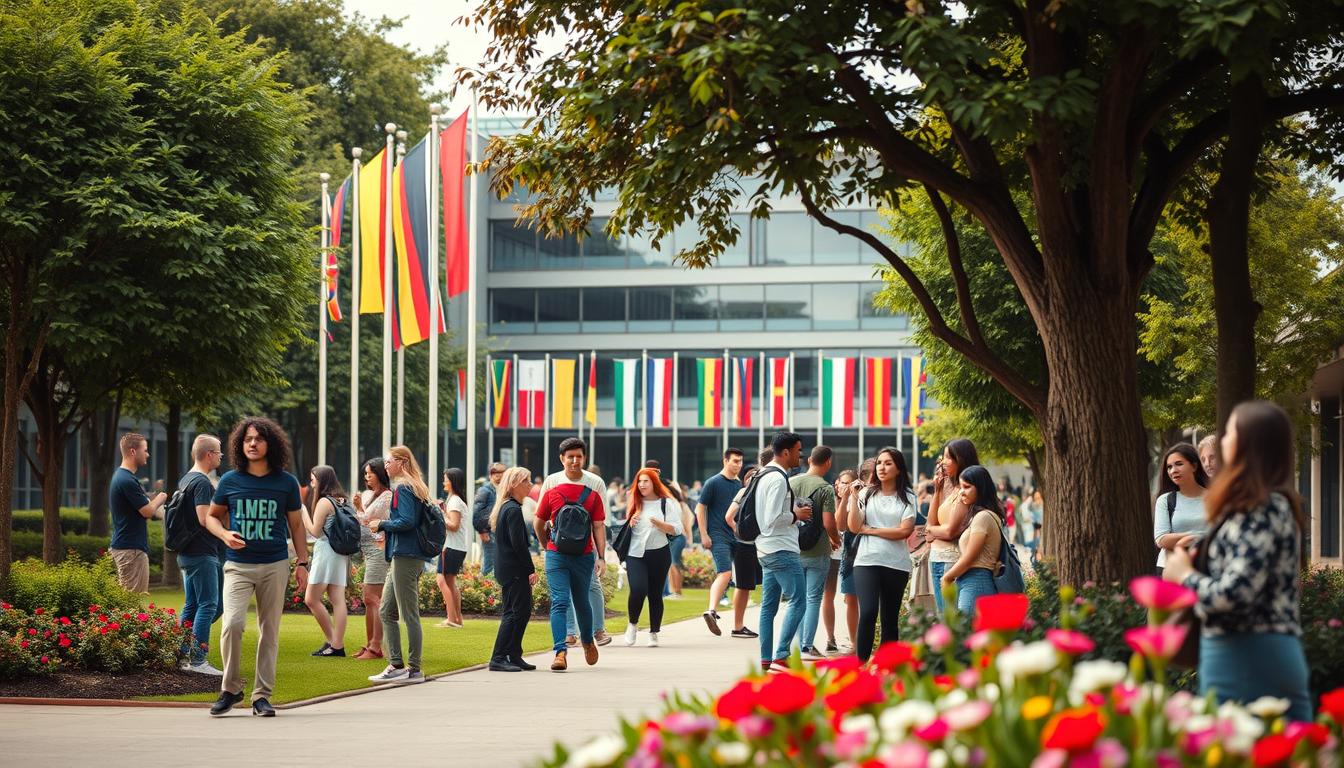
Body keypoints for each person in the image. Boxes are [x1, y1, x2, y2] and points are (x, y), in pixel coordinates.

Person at [1164, 401, 1312, 721]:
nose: (1223, 439)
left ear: (1248, 442)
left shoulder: (1264, 507)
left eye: (1230, 431)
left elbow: (1236, 593)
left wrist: (1185, 575)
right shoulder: (1254, 505)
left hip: (1250, 652)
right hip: (1237, 651)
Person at [204, 417, 307, 717]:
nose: (252, 443)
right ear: (240, 444)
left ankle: (262, 695)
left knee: (269, 631)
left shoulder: (285, 482)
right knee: (232, 625)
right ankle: (231, 688)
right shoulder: (230, 481)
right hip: (238, 566)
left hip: (275, 564)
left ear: (270, 444)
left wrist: (302, 562)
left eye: (258, 439)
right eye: (247, 439)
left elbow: (297, 526)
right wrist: (224, 534)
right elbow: (211, 516)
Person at [535, 437, 608, 671]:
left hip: (584, 555)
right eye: (570, 457)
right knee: (559, 601)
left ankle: (587, 641)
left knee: (582, 601)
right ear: (562, 459)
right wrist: (547, 545)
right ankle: (560, 652)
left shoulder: (595, 487)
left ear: (584, 458)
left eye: (579, 456)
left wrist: (601, 556)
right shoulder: (551, 485)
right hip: (556, 554)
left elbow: (598, 525)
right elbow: (539, 521)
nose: (574, 461)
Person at [366, 446, 434, 684]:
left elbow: (407, 521)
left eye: (388, 461)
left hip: (406, 554)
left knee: (408, 613)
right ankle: (396, 664)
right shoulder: (412, 485)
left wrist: (381, 524)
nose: (385, 465)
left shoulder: (404, 487)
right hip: (405, 554)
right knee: (386, 611)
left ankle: (413, 669)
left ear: (402, 462)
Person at [846, 447, 917, 661]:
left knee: (889, 619)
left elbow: (904, 531)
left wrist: (872, 530)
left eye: (888, 463)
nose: (882, 467)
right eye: (879, 463)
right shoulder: (866, 494)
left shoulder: (908, 497)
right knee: (867, 612)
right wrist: (853, 498)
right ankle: (860, 666)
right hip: (866, 561)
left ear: (898, 469)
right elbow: (854, 526)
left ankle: (889, 668)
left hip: (896, 564)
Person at [754, 432, 812, 673]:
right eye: (799, 451)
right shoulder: (777, 478)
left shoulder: (762, 473)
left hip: (765, 549)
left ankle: (767, 659)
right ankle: (781, 656)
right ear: (786, 452)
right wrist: (796, 515)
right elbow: (770, 519)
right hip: (780, 549)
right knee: (799, 600)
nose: (801, 455)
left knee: (769, 606)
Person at [175, 434, 225, 675]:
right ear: (209, 455)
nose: (221, 456)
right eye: (219, 453)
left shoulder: (186, 479)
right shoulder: (202, 483)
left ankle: (180, 653)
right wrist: (226, 533)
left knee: (192, 605)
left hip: (187, 553)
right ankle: (198, 660)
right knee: (209, 605)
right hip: (202, 552)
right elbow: (205, 519)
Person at [621, 468, 682, 647]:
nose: (641, 485)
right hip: (635, 553)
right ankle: (632, 624)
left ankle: (654, 632)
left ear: (654, 483)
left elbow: (677, 529)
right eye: (639, 481)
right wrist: (630, 522)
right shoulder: (634, 501)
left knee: (655, 594)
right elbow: (627, 525)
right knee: (638, 590)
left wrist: (659, 524)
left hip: (659, 553)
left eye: (646, 481)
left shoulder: (666, 503)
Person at [938, 465, 1006, 614]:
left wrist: (947, 578)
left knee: (966, 631)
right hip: (972, 581)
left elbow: (970, 557)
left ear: (981, 489)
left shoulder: (983, 517)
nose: (962, 492)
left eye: (967, 487)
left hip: (976, 581)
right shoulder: (981, 515)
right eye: (961, 487)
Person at [791, 445, 837, 660]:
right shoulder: (826, 488)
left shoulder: (791, 482)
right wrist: (835, 539)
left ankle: (797, 644)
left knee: (797, 599)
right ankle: (806, 646)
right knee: (813, 598)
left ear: (809, 460)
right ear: (827, 462)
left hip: (793, 548)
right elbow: (829, 522)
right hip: (818, 550)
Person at [489, 467, 537, 672]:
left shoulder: (507, 507)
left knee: (519, 611)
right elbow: (519, 545)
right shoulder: (513, 510)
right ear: (514, 484)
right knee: (515, 612)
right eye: (526, 481)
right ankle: (499, 656)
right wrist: (530, 569)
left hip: (507, 568)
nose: (530, 485)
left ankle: (514, 654)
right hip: (514, 569)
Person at [925, 438, 981, 611]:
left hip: (952, 562)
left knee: (952, 620)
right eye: (943, 457)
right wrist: (938, 490)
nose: (943, 462)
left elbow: (950, 531)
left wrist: (932, 531)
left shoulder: (966, 491)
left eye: (948, 457)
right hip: (936, 559)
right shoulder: (950, 488)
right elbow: (931, 522)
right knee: (944, 618)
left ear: (961, 459)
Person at [109, 432, 168, 593]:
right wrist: (161, 497)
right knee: (133, 603)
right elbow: (147, 511)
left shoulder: (124, 478)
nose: (148, 454)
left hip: (128, 547)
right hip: (131, 550)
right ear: (133, 451)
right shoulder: (127, 480)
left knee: (130, 603)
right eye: (145, 450)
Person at [301, 465, 351, 657]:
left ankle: (334, 642)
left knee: (311, 599)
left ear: (322, 479)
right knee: (337, 599)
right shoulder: (342, 499)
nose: (311, 481)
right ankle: (336, 644)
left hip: (326, 550)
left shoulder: (324, 501)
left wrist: (303, 512)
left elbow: (314, 531)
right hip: (340, 552)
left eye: (313, 478)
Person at [697, 448, 744, 635]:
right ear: (725, 461)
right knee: (725, 573)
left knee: (737, 579)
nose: (738, 465)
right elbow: (700, 509)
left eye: (740, 461)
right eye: (735, 461)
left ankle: (738, 626)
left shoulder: (740, 485)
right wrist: (703, 534)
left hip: (737, 536)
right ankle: (711, 610)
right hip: (718, 535)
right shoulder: (713, 482)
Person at [352, 458, 391, 660]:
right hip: (368, 550)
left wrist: (358, 507)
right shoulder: (369, 494)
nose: (367, 476)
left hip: (378, 548)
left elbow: (367, 519)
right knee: (369, 599)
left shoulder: (386, 496)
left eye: (370, 473)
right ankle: (370, 644)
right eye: (365, 473)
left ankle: (376, 647)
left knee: (373, 599)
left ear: (380, 474)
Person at [1154, 443, 1210, 573]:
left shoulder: (1214, 497)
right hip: (1170, 568)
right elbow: (1162, 539)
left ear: (1194, 466)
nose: (1173, 471)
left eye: (1179, 464)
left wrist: (1181, 540)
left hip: (1205, 567)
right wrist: (1200, 537)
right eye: (1169, 467)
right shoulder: (1165, 500)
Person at [722, 464, 763, 639]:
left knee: (747, 586)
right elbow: (728, 517)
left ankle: (740, 626)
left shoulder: (750, 493)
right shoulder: (745, 493)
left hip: (753, 544)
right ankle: (737, 626)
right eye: (750, 477)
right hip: (748, 545)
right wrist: (739, 531)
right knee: (744, 586)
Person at [821, 467, 857, 654]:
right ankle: (830, 638)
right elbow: (834, 524)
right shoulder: (829, 499)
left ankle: (854, 641)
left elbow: (845, 525)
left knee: (851, 598)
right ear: (837, 484)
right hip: (831, 555)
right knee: (828, 595)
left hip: (850, 554)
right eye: (843, 482)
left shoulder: (857, 501)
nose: (846, 486)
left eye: (850, 483)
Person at [436, 468, 470, 629]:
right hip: (457, 547)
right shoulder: (456, 500)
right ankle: (456, 619)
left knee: (441, 580)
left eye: (446, 479)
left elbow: (454, 526)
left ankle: (451, 618)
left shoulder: (455, 500)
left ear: (452, 481)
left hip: (451, 546)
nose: (444, 482)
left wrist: (439, 514)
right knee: (450, 582)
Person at [472, 462, 506, 575]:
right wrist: (482, 531)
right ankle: (484, 589)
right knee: (489, 563)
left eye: (502, 474)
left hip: (500, 530)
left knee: (499, 563)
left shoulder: (503, 489)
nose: (500, 477)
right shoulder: (485, 490)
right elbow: (477, 512)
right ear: (491, 475)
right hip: (489, 531)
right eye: (497, 474)